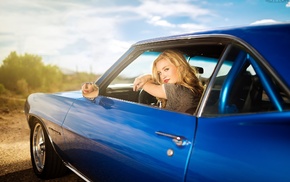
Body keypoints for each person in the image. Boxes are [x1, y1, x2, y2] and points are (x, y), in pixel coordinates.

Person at [133, 49, 204, 114]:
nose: (163, 76)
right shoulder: (191, 89)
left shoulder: (177, 90)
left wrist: (145, 77)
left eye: (166, 69)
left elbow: (142, 84)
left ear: (180, 68)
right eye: (159, 73)